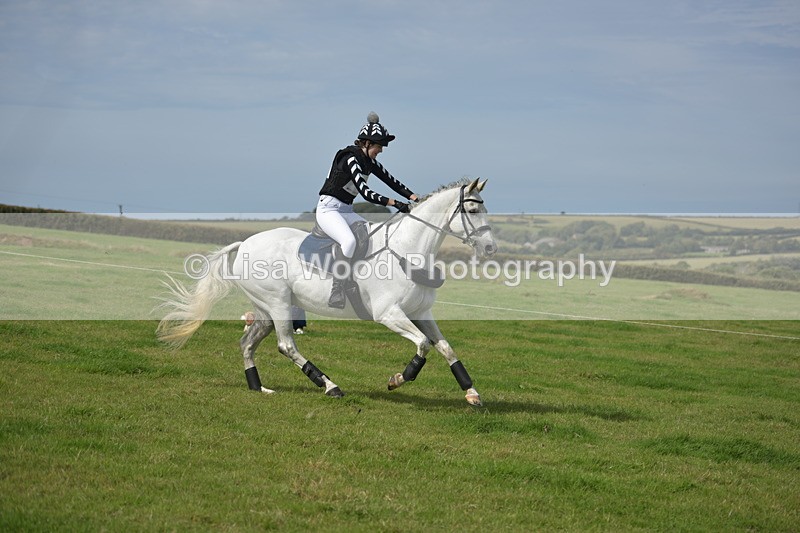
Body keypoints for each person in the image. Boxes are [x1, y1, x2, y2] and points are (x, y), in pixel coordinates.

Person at [317, 111, 418, 308]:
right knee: (348, 242)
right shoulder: (350, 159)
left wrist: (416, 199)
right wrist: (395, 203)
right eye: (379, 146)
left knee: (371, 237)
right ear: (367, 143)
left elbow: (393, 182)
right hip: (328, 210)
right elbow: (365, 193)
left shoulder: (369, 162)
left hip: (346, 211)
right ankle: (337, 290)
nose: (381, 150)